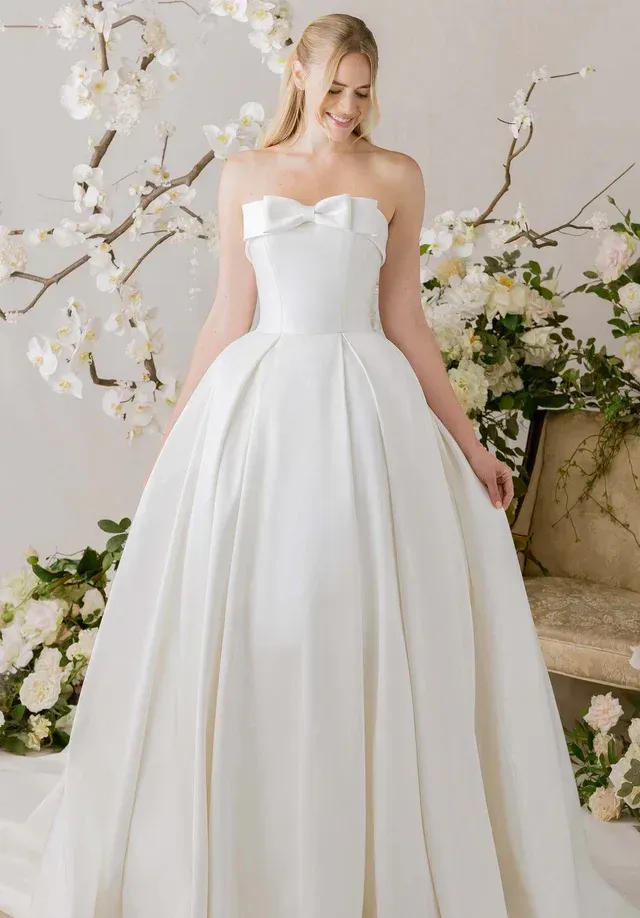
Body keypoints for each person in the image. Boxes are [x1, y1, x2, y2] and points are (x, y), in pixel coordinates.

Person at [0, 11, 638, 918]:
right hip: (261, 406)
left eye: (363, 90)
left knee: (357, 607)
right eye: (333, 86)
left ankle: (369, 835)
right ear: (297, 77)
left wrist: (470, 444)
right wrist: (180, 436)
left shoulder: (396, 177)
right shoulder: (245, 176)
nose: (348, 106)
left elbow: (406, 320)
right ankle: (255, 833)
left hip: (367, 407)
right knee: (265, 610)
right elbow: (229, 314)